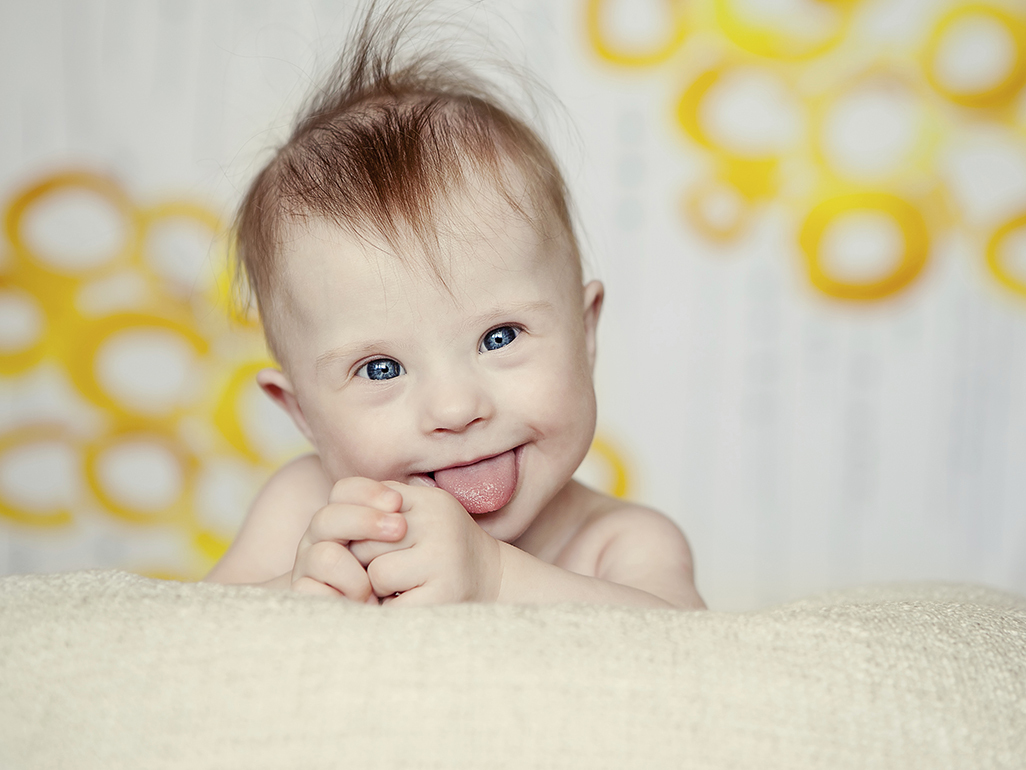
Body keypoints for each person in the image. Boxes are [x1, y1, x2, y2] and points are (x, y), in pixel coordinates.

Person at [206, 3, 705, 610]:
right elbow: (192, 637)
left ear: (585, 329)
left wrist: (496, 579)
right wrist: (295, 592)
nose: (455, 408)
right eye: (380, 368)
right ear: (301, 410)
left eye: (500, 336)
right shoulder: (304, 510)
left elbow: (692, 655)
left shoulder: (620, 544)